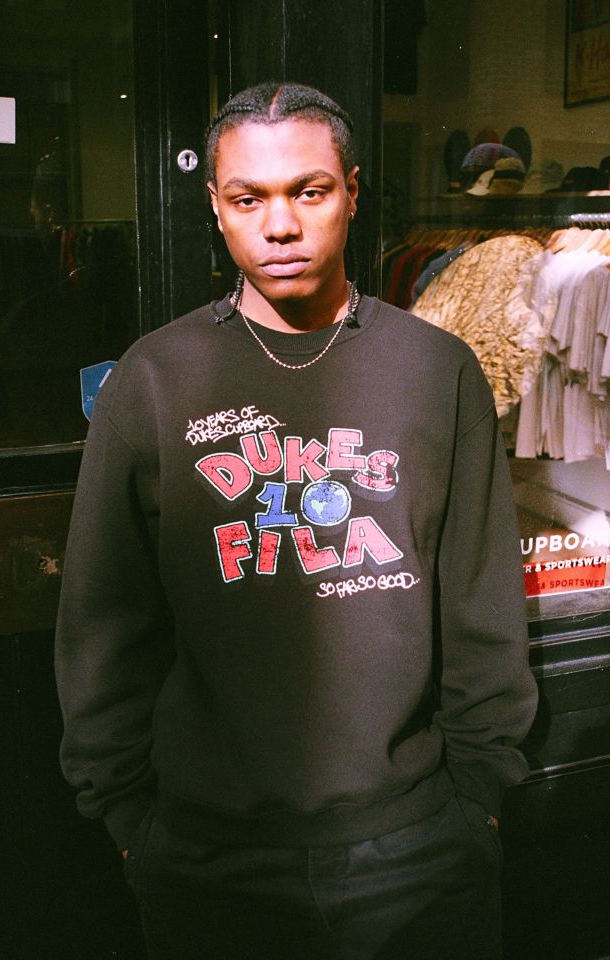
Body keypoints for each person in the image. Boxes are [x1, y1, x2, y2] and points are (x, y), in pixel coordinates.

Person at [55, 82, 538, 960]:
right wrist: (129, 820)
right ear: (216, 206)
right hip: (208, 854)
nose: (280, 226)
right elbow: (103, 622)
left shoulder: (437, 370)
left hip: (418, 845)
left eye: (308, 191)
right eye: (249, 199)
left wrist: (479, 800)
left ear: (350, 192)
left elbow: (481, 604)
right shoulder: (156, 380)